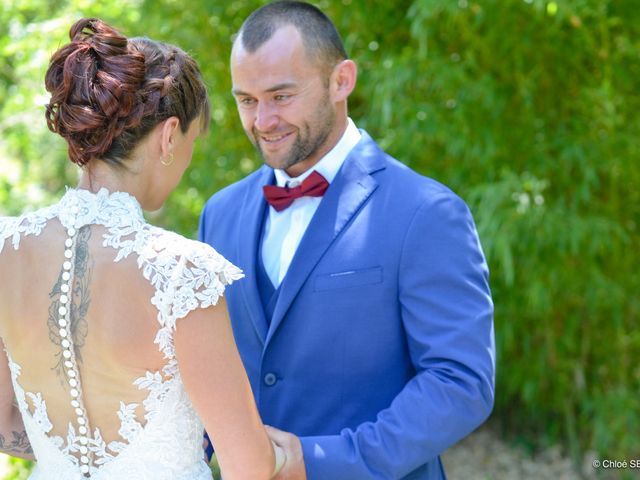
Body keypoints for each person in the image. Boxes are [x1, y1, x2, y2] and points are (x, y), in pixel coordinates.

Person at [199, 1, 496, 479]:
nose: (263, 121)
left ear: (342, 81)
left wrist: (319, 462)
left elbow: (460, 383)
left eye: (281, 96)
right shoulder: (220, 214)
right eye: (246, 100)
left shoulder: (426, 213)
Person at [0, 18, 286, 480]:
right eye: (192, 141)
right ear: (170, 135)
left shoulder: (5, 250)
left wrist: (75, 457)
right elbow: (249, 466)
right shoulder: (180, 272)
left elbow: (4, 423)